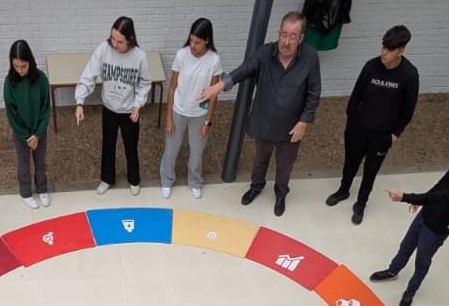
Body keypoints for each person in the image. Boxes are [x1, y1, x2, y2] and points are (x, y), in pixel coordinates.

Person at [199, 11, 321, 216]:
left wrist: (304, 121)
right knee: (260, 159)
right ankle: (256, 186)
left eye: (293, 36)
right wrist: (218, 86)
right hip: (264, 121)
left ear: (301, 38)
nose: (287, 42)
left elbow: (314, 92)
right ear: (278, 33)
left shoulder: (310, 57)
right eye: (284, 35)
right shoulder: (265, 52)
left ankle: (281, 193)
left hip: (291, 126)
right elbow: (243, 70)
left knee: (285, 164)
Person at [369, 129, 449, 306]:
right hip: (427, 212)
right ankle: (393, 270)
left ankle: (410, 291)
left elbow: (444, 196)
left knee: (422, 261)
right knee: (406, 246)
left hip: (439, 225)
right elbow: (443, 182)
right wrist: (422, 200)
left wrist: (406, 197)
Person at [326, 25, 419, 225]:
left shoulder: (409, 75)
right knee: (350, 162)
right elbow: (356, 97)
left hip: (383, 135)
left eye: (390, 49)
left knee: (371, 171)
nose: (384, 53)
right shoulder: (371, 66)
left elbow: (408, 110)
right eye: (383, 47)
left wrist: (395, 134)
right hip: (358, 128)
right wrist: (351, 123)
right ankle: (343, 190)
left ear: (401, 51)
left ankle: (361, 203)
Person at [74, 16, 151, 197]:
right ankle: (107, 178)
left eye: (120, 41)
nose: (115, 44)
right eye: (112, 39)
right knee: (108, 144)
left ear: (130, 39)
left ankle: (134, 179)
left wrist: (138, 104)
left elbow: (145, 82)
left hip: (129, 110)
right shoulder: (103, 49)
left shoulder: (140, 56)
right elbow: (89, 75)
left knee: (131, 146)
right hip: (109, 108)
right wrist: (79, 102)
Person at [159, 18, 222, 200]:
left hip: (199, 113)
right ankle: (167, 180)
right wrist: (168, 117)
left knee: (197, 151)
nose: (193, 46)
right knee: (171, 148)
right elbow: (172, 87)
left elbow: (213, 94)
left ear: (207, 41)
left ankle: (195, 181)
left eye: (198, 42)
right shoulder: (181, 55)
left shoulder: (214, 60)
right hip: (178, 110)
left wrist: (208, 122)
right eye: (191, 40)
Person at [4, 40, 51, 210]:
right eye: (16, 66)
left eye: (23, 66)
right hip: (21, 133)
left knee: (40, 162)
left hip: (39, 132)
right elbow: (12, 113)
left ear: (30, 61)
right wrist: (26, 135)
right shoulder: (9, 82)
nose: (20, 70)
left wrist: (38, 133)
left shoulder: (41, 79)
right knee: (23, 164)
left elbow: (45, 108)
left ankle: (42, 189)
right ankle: (26, 193)